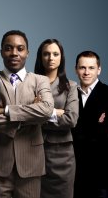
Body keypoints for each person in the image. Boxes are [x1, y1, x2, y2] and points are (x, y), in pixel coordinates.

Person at [0, 30, 54, 198]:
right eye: (9, 48)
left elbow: (46, 110)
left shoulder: (40, 80)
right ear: (1, 51)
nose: (14, 53)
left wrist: (7, 110)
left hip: (31, 164)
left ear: (27, 52)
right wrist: (30, 114)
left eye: (20, 48)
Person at [72, 51, 108, 198]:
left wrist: (77, 126)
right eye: (82, 68)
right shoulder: (70, 94)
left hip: (102, 169)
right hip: (75, 169)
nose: (86, 72)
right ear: (76, 69)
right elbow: (66, 127)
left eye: (91, 68)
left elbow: (106, 131)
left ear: (99, 69)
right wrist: (96, 122)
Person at [34, 39, 78, 198]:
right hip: (34, 151)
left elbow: (71, 119)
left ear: (61, 58)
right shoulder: (30, 83)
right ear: (40, 57)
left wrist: (41, 112)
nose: (50, 58)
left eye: (55, 54)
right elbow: (24, 116)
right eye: (46, 54)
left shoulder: (70, 86)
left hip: (62, 156)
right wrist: (56, 112)